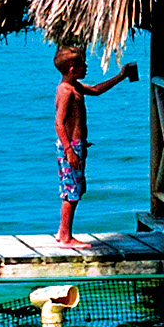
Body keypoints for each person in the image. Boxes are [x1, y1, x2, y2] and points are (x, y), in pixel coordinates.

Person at [53, 42, 137, 242]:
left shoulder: (75, 86)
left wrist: (121, 76)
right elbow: (59, 123)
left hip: (77, 145)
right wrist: (69, 150)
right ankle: (66, 236)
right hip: (70, 147)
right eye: (83, 65)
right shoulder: (66, 91)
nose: (87, 67)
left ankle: (61, 232)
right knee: (71, 191)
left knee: (74, 188)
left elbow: (97, 90)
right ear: (73, 70)